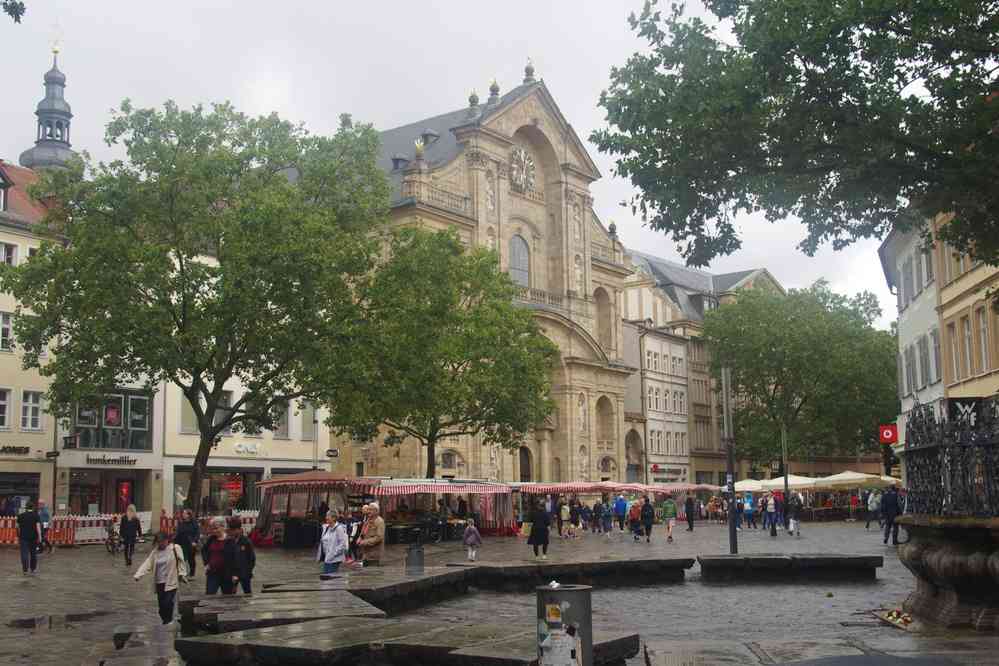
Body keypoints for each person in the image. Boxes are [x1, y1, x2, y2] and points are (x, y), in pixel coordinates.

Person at [134, 531, 187, 625]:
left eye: (162, 541)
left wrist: (182, 574)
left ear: (167, 540)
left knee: (168, 602)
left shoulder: (175, 548)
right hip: (159, 582)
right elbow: (148, 563)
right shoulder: (155, 552)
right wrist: (138, 574)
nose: (161, 544)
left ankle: (169, 621)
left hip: (171, 581)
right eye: (158, 542)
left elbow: (181, 561)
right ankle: (165, 620)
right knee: (161, 606)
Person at [202, 517, 236, 595]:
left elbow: (236, 558)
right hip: (213, 573)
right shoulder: (211, 539)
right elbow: (204, 550)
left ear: (223, 527)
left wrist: (235, 574)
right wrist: (206, 563)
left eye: (216, 528)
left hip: (226, 574)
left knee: (227, 597)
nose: (214, 530)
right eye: (213, 528)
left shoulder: (230, 541)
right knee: (210, 595)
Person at [228, 517, 255, 594]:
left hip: (244, 573)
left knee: (247, 593)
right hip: (232, 573)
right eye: (231, 529)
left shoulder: (246, 541)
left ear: (239, 529)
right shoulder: (229, 541)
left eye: (234, 529)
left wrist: (248, 571)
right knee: (230, 594)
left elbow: (252, 558)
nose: (232, 532)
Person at [316, 510, 349, 574]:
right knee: (326, 580)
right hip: (327, 558)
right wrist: (320, 556)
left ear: (334, 518)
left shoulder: (339, 528)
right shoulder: (326, 528)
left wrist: (333, 554)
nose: (326, 518)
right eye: (326, 516)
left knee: (330, 579)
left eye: (328, 516)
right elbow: (322, 543)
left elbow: (342, 544)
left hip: (334, 560)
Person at [16, 502, 41, 575]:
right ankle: (33, 569)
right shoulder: (36, 516)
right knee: (33, 553)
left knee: (24, 554)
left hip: (23, 537)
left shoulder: (20, 516)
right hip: (33, 538)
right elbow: (38, 527)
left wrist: (18, 535)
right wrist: (40, 537)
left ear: (26, 508)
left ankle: (25, 570)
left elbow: (17, 527)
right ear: (33, 507)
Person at [174, 509, 200, 577]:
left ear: (189, 515)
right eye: (183, 513)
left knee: (191, 559)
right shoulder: (182, 523)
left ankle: (192, 573)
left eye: (185, 513)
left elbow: (197, 533)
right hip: (182, 543)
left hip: (191, 544)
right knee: (181, 558)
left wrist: (195, 541)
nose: (183, 514)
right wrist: (174, 542)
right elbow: (178, 534)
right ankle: (182, 573)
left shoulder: (194, 523)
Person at [359, 502, 385, 566]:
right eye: (368, 509)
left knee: (373, 574)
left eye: (371, 510)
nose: (368, 511)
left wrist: (365, 542)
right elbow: (363, 532)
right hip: (365, 555)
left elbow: (379, 537)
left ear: (376, 511)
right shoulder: (368, 520)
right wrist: (360, 538)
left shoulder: (379, 521)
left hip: (374, 556)